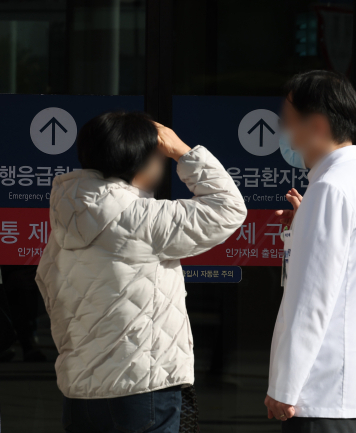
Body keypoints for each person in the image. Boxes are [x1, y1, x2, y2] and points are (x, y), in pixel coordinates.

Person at [36, 111, 247, 433]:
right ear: (141, 161)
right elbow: (228, 208)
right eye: (159, 156)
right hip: (141, 388)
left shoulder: (65, 222)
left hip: (80, 391)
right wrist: (183, 151)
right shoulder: (141, 218)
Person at [265, 70, 356, 433]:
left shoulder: (329, 189)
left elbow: (311, 297)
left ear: (318, 125)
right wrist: (300, 229)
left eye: (289, 122)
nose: (285, 133)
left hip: (323, 393)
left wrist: (283, 387)